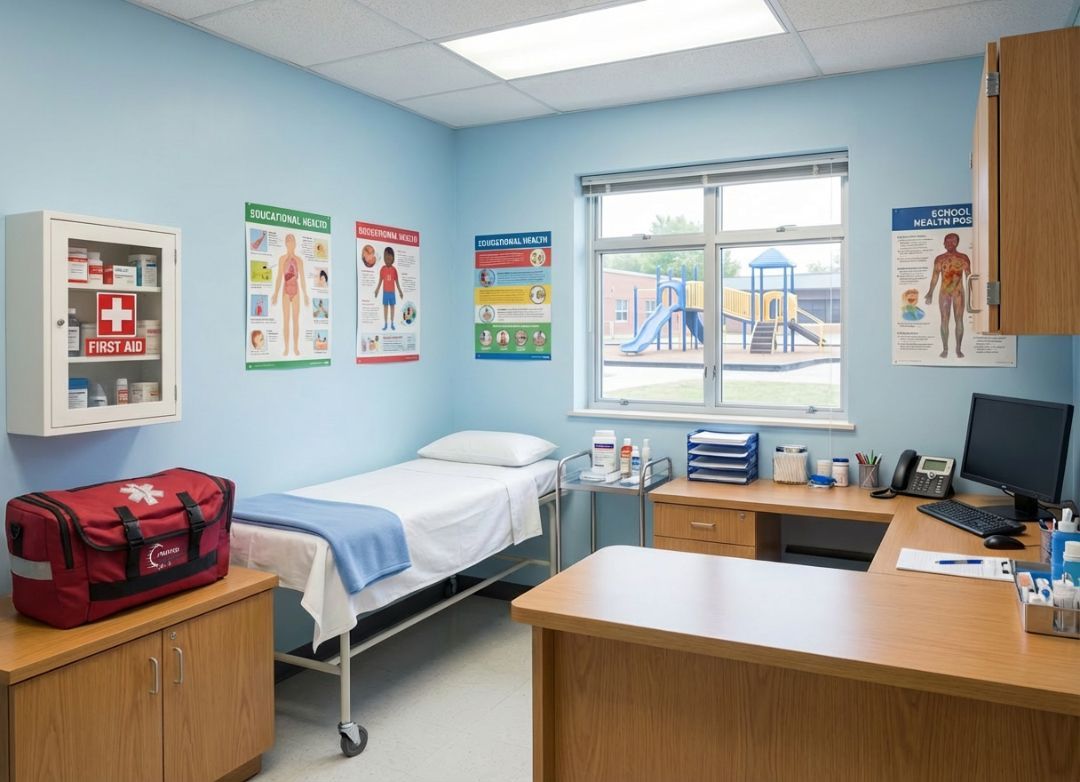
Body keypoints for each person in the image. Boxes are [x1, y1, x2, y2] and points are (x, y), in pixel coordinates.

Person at [925, 232, 971, 358]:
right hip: (944, 293)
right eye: (948, 241)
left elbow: (969, 278)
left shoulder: (963, 258)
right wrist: (930, 292)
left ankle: (958, 349)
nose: (951, 243)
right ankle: (945, 349)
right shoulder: (940, 259)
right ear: (944, 243)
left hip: (958, 293)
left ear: (957, 243)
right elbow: (935, 277)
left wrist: (974, 296)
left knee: (959, 320)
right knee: (944, 320)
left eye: (953, 241)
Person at [271, 234, 309, 357]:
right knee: (286, 320)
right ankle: (287, 348)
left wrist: (306, 294)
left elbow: (302, 279)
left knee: (295, 321)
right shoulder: (282, 259)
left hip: (296, 290)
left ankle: (296, 347)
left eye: (292, 241)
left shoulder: (299, 260)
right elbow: (278, 278)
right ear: (286, 244)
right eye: (288, 241)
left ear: (295, 244)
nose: (290, 244)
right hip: (285, 290)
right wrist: (275, 294)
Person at [374, 247, 404, 331]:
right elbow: (380, 281)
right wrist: (377, 290)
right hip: (385, 292)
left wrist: (400, 291)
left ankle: (392, 323)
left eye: (390, 256)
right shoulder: (382, 269)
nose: (388, 258)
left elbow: (397, 282)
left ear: (393, 258)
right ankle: (386, 324)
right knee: (385, 308)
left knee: (392, 308)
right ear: (384, 257)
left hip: (392, 293)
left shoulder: (394, 270)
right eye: (386, 256)